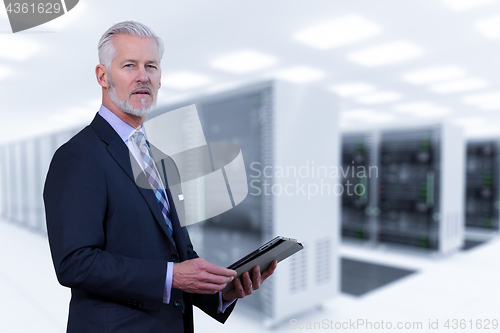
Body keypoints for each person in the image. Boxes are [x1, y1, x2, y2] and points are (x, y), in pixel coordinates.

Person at [43, 21, 277, 333]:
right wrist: (170, 276)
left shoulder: (158, 158)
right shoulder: (79, 156)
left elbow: (179, 256)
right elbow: (75, 263)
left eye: (151, 66)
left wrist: (221, 291)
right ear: (102, 76)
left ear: (160, 78)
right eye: (129, 65)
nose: (143, 76)